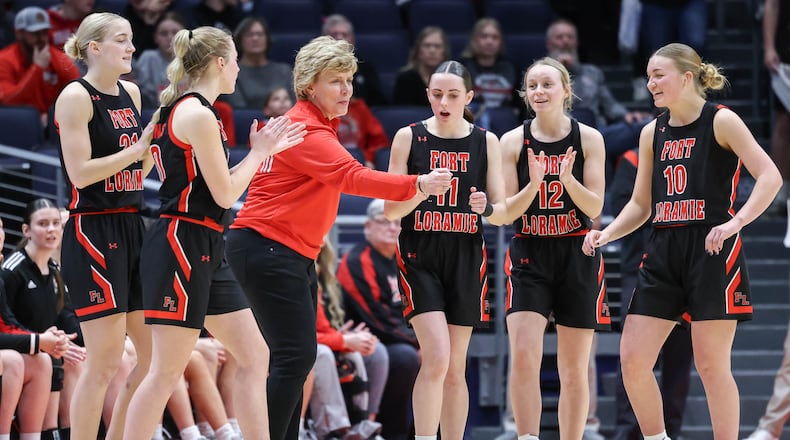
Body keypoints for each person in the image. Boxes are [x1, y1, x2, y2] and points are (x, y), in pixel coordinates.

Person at [225, 35, 452, 440]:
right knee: (294, 357)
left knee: (294, 358)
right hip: (267, 248)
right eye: (336, 81)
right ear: (310, 85)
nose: (346, 89)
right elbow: (354, 178)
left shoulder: (312, 127)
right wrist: (419, 183)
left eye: (349, 79)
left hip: (282, 252)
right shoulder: (304, 129)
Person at [583, 43, 782, 440]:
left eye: (659, 75)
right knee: (633, 360)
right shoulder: (649, 132)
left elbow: (770, 176)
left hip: (711, 249)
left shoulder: (721, 121)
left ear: (687, 77)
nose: (650, 82)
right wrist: (607, 231)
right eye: (648, 75)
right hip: (662, 249)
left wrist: (735, 223)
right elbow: (641, 204)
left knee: (711, 365)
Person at [121, 24, 305, 440]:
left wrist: (262, 153)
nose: (239, 69)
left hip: (205, 244)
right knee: (164, 372)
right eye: (236, 60)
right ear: (220, 63)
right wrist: (260, 153)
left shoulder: (187, 111)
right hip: (180, 245)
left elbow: (218, 188)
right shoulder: (197, 114)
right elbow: (224, 194)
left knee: (255, 355)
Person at [482, 56, 609, 439]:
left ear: (566, 91)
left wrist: (566, 179)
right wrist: (535, 184)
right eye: (532, 85)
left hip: (577, 253)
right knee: (523, 358)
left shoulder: (589, 138)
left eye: (547, 84)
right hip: (528, 252)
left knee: (575, 367)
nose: (539, 91)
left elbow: (595, 207)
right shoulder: (511, 141)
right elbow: (502, 213)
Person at [383, 60, 504, 440]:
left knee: (455, 367)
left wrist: (486, 206)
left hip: (466, 254)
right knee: (436, 357)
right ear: (427, 95)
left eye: (453, 95)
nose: (444, 102)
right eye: (437, 94)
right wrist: (419, 188)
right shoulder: (409, 137)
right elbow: (390, 211)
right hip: (420, 253)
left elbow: (499, 213)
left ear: (469, 96)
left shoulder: (487, 141)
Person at [55, 12, 155, 440]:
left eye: (132, 40)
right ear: (94, 48)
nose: (131, 48)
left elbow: (142, 165)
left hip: (133, 225)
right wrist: (138, 148)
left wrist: (155, 143)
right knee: (104, 361)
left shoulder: (130, 92)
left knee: (152, 360)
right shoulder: (75, 96)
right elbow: (79, 173)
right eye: (121, 40)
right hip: (93, 230)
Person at [609, 149, 693, 440]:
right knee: (633, 359)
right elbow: (622, 205)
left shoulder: (695, 156)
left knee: (680, 360)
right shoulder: (634, 158)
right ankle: (628, 432)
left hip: (685, 268)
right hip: (641, 267)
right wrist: (668, 203)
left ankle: (673, 430)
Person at [0, 199, 89, 440]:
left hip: (37, 343)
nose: (51, 229)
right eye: (43, 224)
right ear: (26, 231)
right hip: (22, 347)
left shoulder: (53, 268)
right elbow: (7, 321)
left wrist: (62, 339)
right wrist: (43, 341)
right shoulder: (11, 271)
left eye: (55, 224)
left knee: (79, 358)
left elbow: (63, 314)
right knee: (54, 360)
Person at [337, 198, 421, 440]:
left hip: (401, 337)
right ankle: (393, 432)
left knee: (453, 357)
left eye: (397, 223)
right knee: (405, 358)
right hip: (367, 340)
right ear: (367, 227)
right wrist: (418, 343)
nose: (392, 228)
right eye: (384, 222)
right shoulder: (357, 261)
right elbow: (376, 318)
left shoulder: (407, 258)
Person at [546, 18, 652, 161]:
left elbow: (610, 104)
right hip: (555, 136)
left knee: (647, 125)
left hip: (596, 134)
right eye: (560, 37)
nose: (566, 41)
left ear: (576, 42)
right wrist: (558, 72)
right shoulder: (540, 74)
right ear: (549, 43)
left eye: (570, 37)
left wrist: (626, 115)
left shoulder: (592, 72)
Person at [0, 6, 79, 125]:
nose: (41, 39)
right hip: (16, 124)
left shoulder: (60, 59)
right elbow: (7, 101)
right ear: (19, 34)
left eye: (44, 33)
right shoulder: (4, 60)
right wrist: (37, 69)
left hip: (54, 124)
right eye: (35, 33)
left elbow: (78, 94)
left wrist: (55, 117)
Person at [761, 0, 790, 244]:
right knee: (784, 122)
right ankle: (779, 190)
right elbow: (772, 5)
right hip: (786, 53)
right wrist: (769, 47)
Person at [222, 16, 294, 109]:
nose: (255, 38)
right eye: (249, 34)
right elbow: (238, 109)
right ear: (240, 40)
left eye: (259, 34)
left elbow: (294, 104)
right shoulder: (233, 71)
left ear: (267, 39)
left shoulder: (284, 70)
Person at [460, 17, 518, 124]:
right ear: (474, 40)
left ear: (501, 42)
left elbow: (519, 105)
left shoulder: (511, 67)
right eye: (484, 36)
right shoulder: (462, 67)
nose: (489, 41)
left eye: (495, 37)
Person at [322, 14, 388, 107]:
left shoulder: (365, 67)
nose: (340, 38)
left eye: (344, 34)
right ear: (323, 39)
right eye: (334, 34)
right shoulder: (314, 66)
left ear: (352, 40)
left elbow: (378, 102)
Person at [133, 11, 187, 108]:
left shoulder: (193, 59)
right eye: (164, 33)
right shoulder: (148, 58)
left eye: (175, 33)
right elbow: (143, 97)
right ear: (155, 38)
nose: (170, 38)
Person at [392, 26, 450, 106]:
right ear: (418, 51)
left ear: (444, 52)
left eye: (437, 46)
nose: (432, 51)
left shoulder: (451, 80)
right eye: (427, 45)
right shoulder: (405, 79)